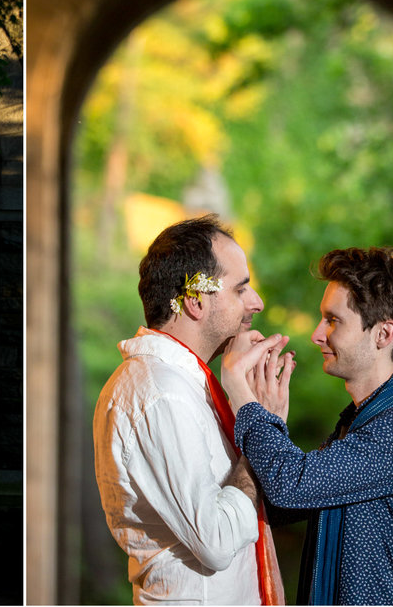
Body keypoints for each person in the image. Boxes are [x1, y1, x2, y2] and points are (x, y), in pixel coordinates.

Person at [222, 247, 393, 605]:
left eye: (333, 320)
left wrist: (242, 395)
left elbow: (291, 486)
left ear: (384, 334)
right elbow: (280, 504)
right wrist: (267, 416)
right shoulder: (362, 422)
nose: (317, 334)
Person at [93, 215, 289, 605]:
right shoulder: (160, 393)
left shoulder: (184, 385)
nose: (257, 303)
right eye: (241, 289)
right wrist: (259, 434)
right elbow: (215, 540)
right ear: (196, 300)